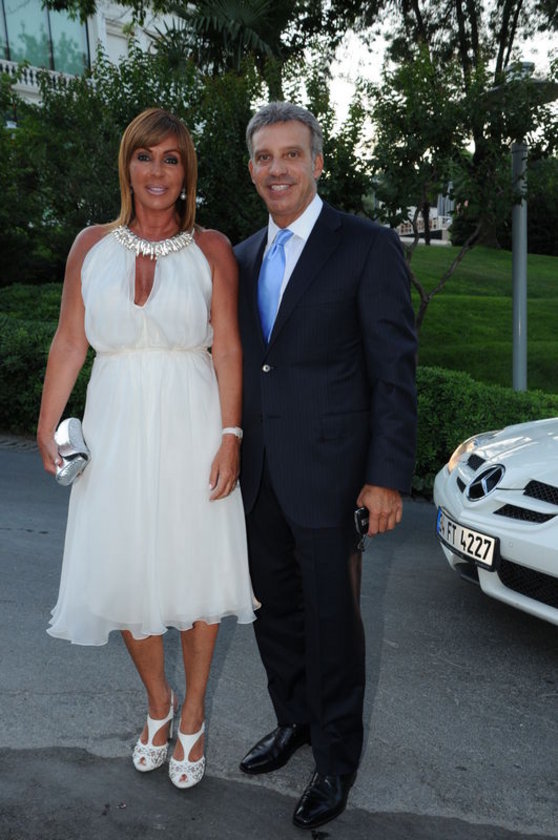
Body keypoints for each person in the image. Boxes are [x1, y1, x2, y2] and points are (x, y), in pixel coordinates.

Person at [37, 107, 258, 790]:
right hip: (116, 428)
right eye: (144, 156)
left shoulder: (212, 249)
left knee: (197, 571)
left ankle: (192, 713)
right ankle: (158, 703)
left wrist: (231, 436)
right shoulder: (89, 245)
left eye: (170, 158)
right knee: (127, 567)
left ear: (186, 172)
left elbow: (228, 348)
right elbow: (70, 340)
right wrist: (47, 424)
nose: (156, 171)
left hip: (195, 424)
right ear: (126, 166)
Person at [234, 102, 417, 830]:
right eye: (264, 157)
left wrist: (387, 476)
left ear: (316, 162)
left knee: (333, 621)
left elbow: (394, 370)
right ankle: (295, 722)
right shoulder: (241, 256)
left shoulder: (366, 245)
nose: (276, 168)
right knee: (273, 612)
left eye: (291, 154)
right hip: (257, 475)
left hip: (335, 475)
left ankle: (337, 758)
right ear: (251, 169)